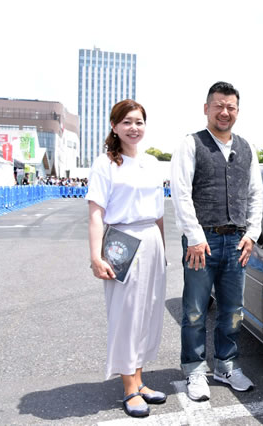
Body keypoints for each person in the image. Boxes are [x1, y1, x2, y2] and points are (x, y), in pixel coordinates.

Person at [170, 81, 263, 401]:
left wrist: (251, 233)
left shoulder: (247, 148)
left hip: (236, 241)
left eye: (231, 107)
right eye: (219, 106)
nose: (225, 112)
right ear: (206, 108)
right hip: (202, 242)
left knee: (233, 311)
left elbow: (255, 194)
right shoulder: (191, 144)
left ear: (237, 111)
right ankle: (194, 369)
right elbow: (180, 193)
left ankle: (225, 365)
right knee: (195, 311)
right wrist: (194, 237)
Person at [86, 99, 167, 418]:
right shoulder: (104, 164)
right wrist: (96, 256)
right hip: (121, 240)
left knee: (148, 313)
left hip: (151, 238)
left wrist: (163, 250)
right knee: (126, 315)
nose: (134, 128)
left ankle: (140, 380)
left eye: (139, 122)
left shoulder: (152, 163)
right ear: (115, 126)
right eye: (127, 122)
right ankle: (129, 388)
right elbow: (96, 214)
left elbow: (159, 213)